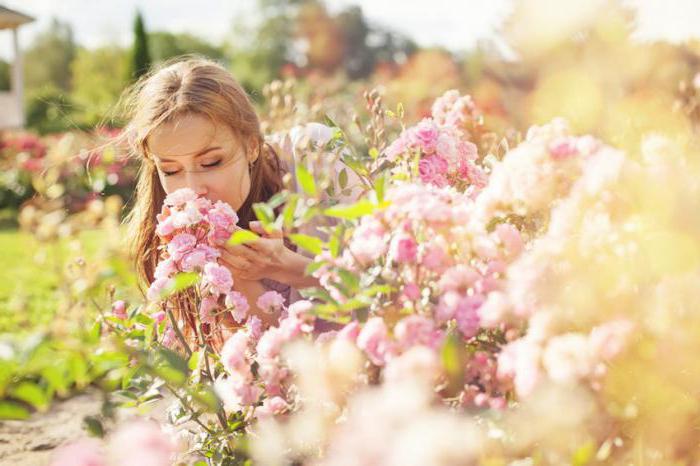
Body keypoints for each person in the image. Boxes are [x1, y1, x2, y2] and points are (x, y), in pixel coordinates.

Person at [117, 56, 361, 338]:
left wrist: (289, 268)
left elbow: (391, 288)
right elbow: (279, 357)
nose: (193, 188)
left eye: (211, 163)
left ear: (252, 145)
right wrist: (238, 280)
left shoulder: (315, 155)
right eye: (170, 169)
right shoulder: (179, 242)